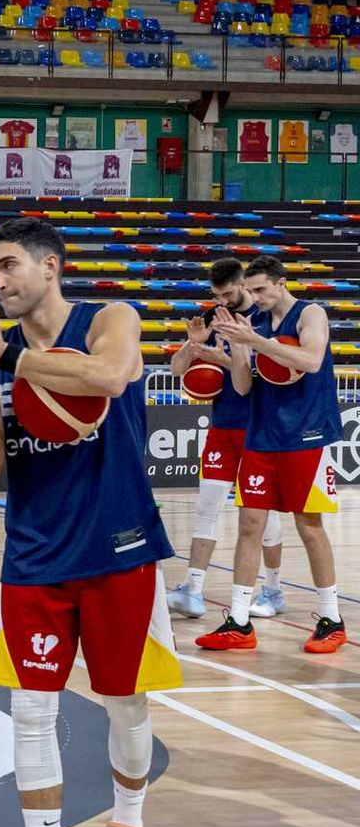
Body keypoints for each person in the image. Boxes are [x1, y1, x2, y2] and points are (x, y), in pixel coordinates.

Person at [0, 217, 179, 827]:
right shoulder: (0, 358)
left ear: (50, 266)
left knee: (126, 703)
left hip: (119, 548)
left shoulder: (110, 318)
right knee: (31, 713)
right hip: (35, 556)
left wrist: (6, 359)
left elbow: (108, 377)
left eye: (8, 265)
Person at [199, 254, 347, 654]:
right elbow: (245, 388)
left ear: (281, 284)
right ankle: (240, 621)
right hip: (262, 434)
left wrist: (256, 343)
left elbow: (311, 360)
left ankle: (331, 618)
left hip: (307, 434)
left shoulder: (309, 313)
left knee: (308, 524)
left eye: (262, 289)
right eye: (253, 290)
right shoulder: (255, 324)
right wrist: (235, 352)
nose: (256, 296)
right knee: (249, 525)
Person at [165, 259, 286, 620]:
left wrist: (229, 358)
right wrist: (193, 345)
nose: (222, 300)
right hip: (222, 427)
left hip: (258, 429)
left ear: (244, 286)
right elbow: (176, 369)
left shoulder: (265, 321)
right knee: (207, 507)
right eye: (216, 295)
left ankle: (274, 589)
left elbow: (268, 374)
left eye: (228, 294)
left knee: (265, 517)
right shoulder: (211, 316)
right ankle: (193, 588)